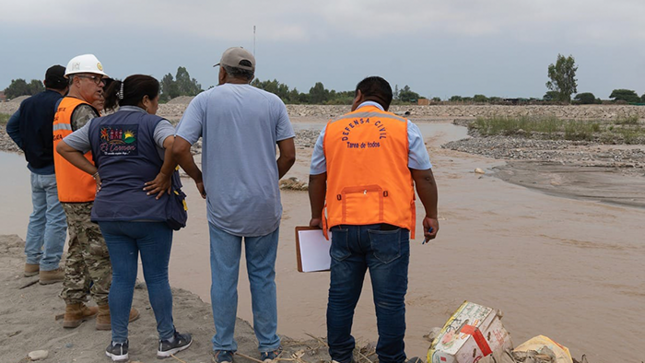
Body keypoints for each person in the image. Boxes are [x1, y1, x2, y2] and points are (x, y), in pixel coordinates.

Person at [56, 74, 193, 362]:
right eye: (156, 100)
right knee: (156, 277)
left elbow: (64, 147)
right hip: (150, 212)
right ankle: (167, 339)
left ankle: (118, 344)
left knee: (121, 276)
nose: (156, 105)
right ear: (146, 100)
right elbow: (173, 146)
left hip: (109, 213)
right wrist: (164, 175)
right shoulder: (155, 123)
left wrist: (96, 173)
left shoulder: (98, 124)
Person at [172, 47, 296, 363]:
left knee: (224, 277)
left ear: (222, 72)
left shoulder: (205, 100)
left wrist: (199, 178)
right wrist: (269, 179)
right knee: (263, 276)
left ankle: (224, 347)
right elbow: (290, 155)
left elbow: (179, 147)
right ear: (252, 75)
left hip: (224, 205)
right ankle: (268, 345)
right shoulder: (273, 103)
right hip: (264, 206)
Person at [307, 76, 439, 363]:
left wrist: (317, 216)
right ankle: (391, 359)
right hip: (389, 227)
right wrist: (432, 214)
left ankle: (341, 357)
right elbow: (424, 176)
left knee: (341, 300)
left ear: (358, 96)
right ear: (386, 103)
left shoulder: (331, 129)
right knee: (390, 303)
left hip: (343, 227)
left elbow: (317, 178)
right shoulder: (404, 128)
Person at [53, 54, 138, 330]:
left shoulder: (62, 107)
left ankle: (73, 308)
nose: (101, 85)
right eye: (95, 79)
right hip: (88, 191)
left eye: (102, 80)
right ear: (77, 81)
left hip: (69, 190)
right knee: (101, 253)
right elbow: (103, 148)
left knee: (78, 250)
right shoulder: (82, 111)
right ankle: (108, 311)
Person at [5, 65, 68, 284]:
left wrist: (27, 148)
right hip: (56, 169)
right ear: (68, 84)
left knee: (38, 215)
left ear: (44, 82)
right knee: (57, 219)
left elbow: (11, 128)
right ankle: (49, 267)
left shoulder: (27, 103)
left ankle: (32, 262)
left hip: (35, 169)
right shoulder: (61, 104)